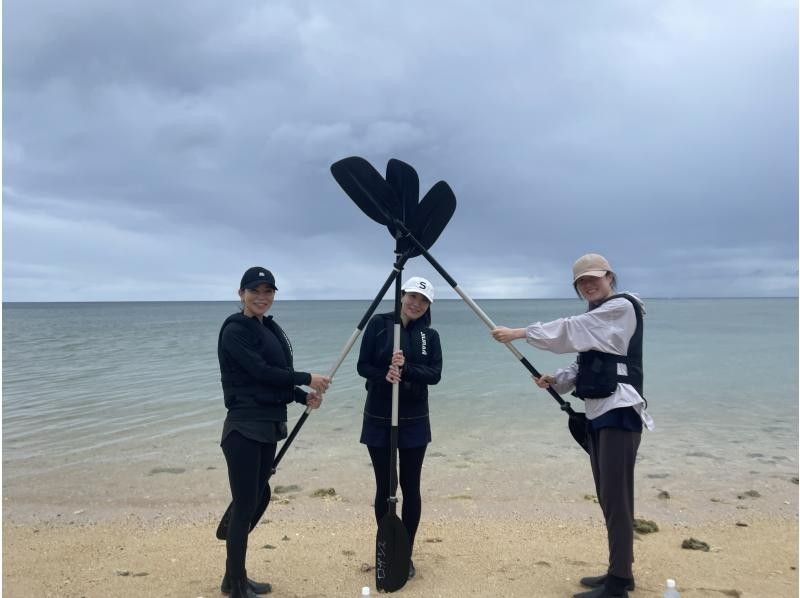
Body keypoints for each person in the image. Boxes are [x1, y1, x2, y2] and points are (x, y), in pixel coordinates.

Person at [491, 254, 652, 598]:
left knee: (617, 497)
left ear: (610, 276)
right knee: (609, 497)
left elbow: (570, 329)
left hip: (620, 411)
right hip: (599, 411)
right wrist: (556, 381)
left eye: (594, 278)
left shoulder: (621, 308)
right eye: (581, 281)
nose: (589, 284)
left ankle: (620, 583)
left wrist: (520, 333)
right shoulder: (599, 318)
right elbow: (585, 364)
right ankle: (618, 570)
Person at [217, 266, 331, 597]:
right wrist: (306, 378)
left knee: (251, 503)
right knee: (243, 508)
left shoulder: (268, 327)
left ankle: (233, 577)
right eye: (255, 291)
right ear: (241, 294)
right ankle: (236, 585)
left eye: (268, 292)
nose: (262, 297)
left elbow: (272, 377)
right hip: (243, 429)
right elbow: (258, 371)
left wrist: (301, 397)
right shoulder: (235, 329)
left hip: (266, 428)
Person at [357, 276, 443, 579]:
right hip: (379, 415)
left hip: (414, 418)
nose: (415, 304)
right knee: (385, 485)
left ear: (428, 305)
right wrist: (386, 373)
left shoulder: (429, 336)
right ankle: (387, 546)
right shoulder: (380, 325)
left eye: (423, 300)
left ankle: (405, 551)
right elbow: (362, 366)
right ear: (402, 295)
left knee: (411, 486)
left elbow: (434, 374)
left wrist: (407, 369)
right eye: (411, 297)